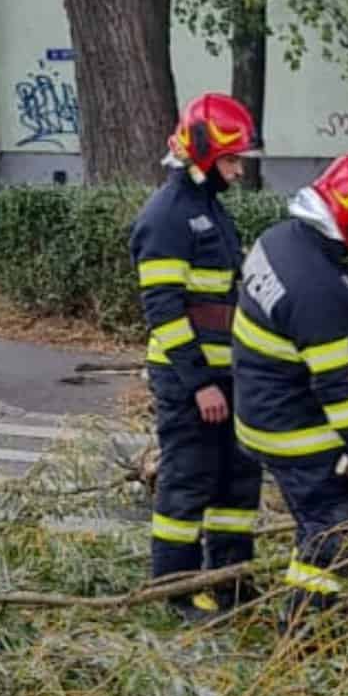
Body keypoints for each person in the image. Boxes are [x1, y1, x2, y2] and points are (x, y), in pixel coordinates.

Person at [231, 153, 348, 621]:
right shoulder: (320, 287)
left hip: (256, 406)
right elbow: (334, 386)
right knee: (332, 521)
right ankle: (306, 626)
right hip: (288, 425)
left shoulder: (278, 240)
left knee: (315, 514)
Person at [129, 93, 264, 620]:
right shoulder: (167, 217)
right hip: (190, 380)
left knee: (237, 480)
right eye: (231, 160)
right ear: (205, 156)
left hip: (227, 375)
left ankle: (230, 581)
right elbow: (162, 310)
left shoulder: (209, 210)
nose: (237, 170)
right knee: (187, 484)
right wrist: (200, 382)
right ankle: (176, 591)